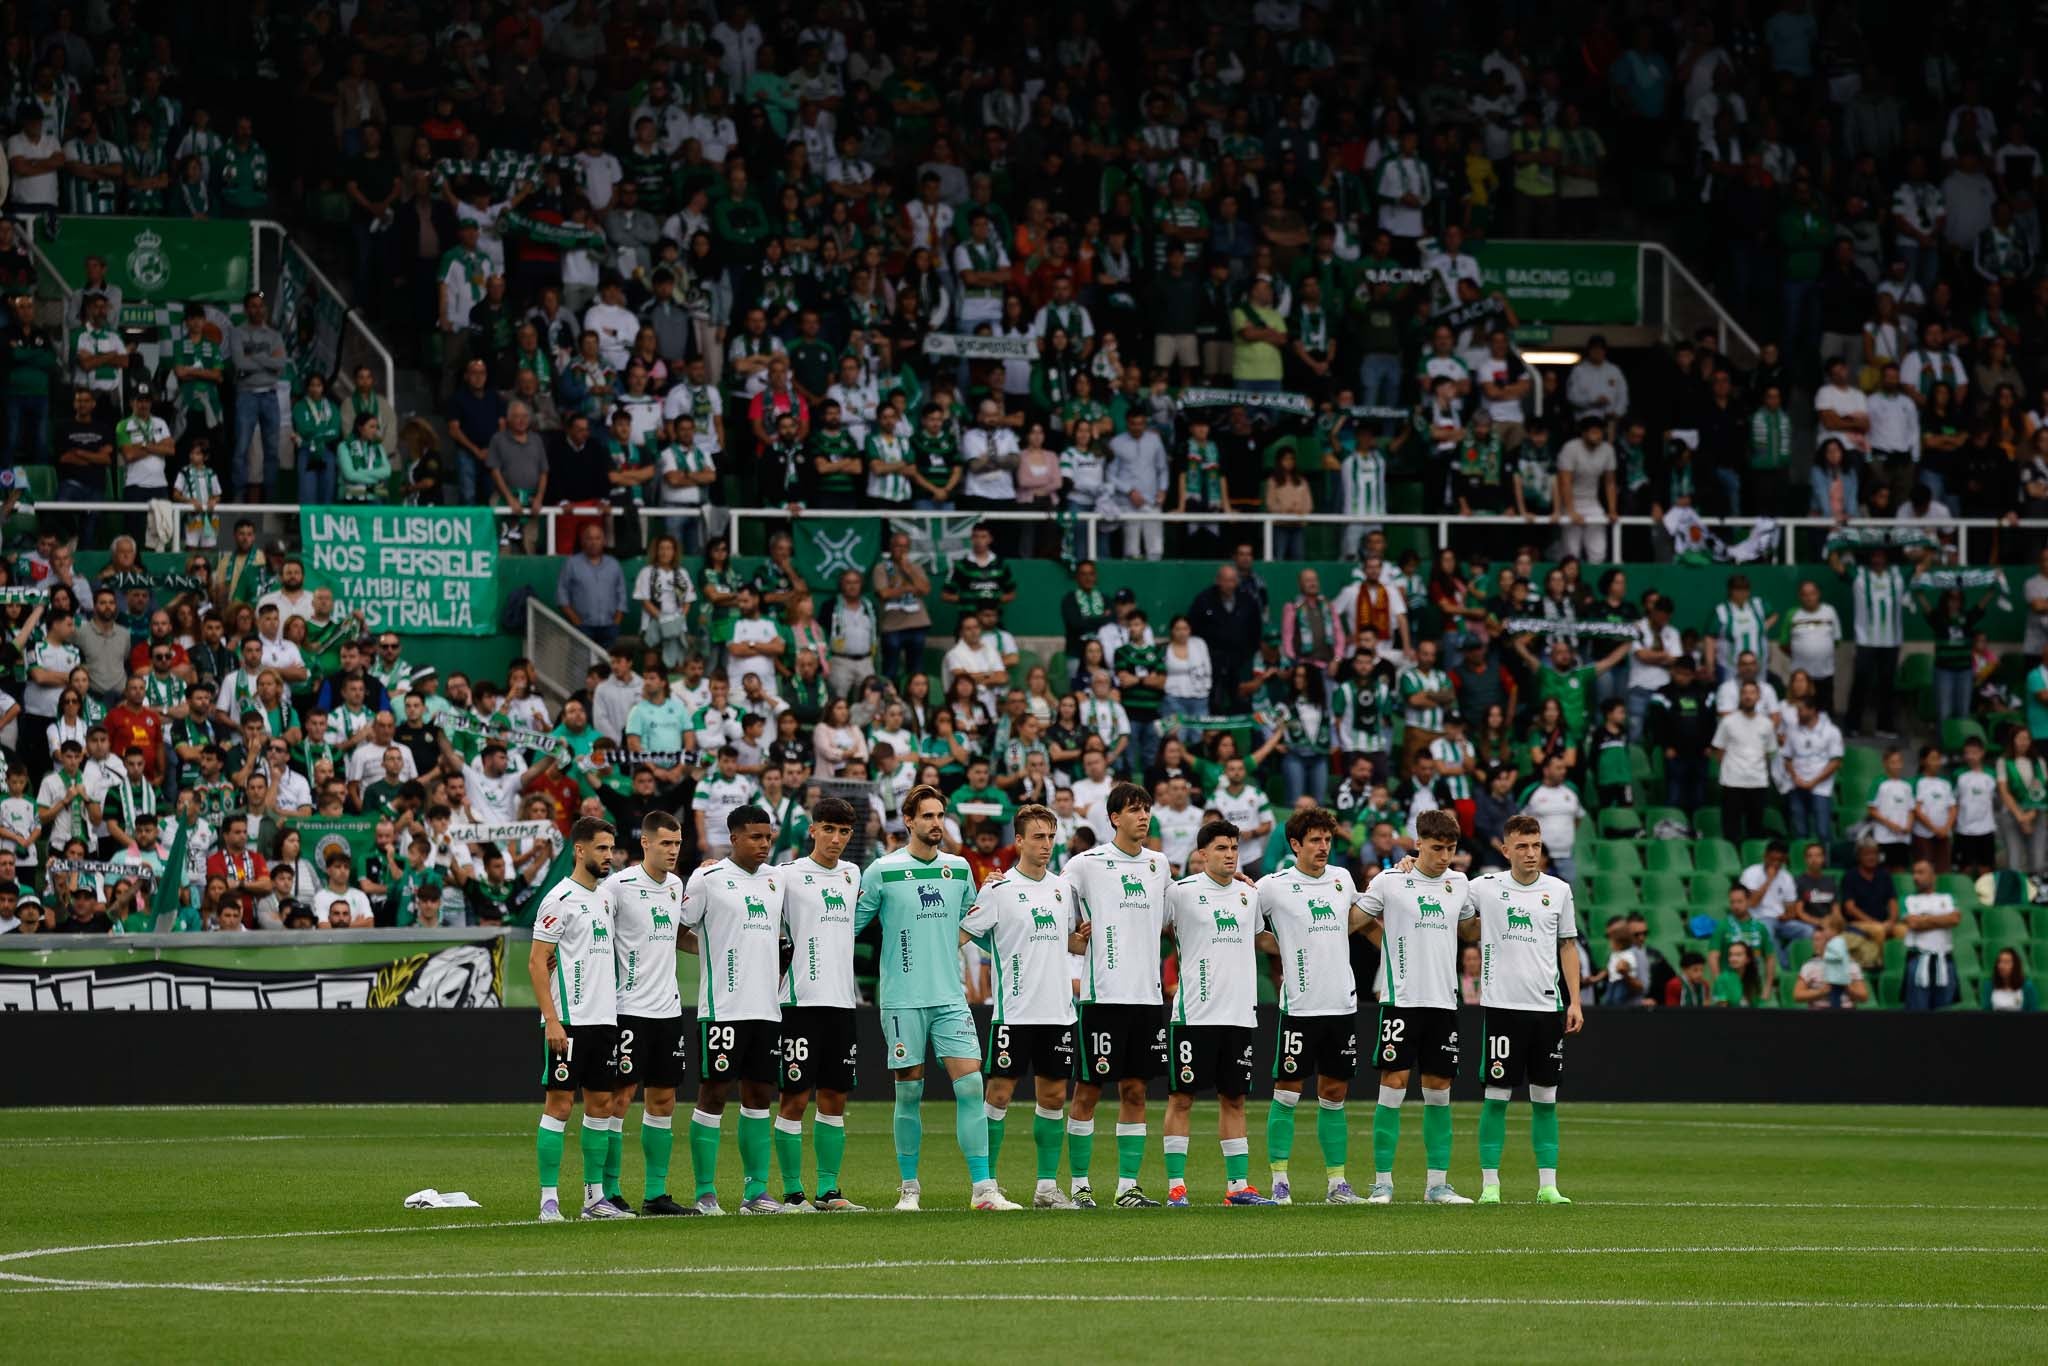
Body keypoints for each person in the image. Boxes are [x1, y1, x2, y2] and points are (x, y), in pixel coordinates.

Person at [853, 785, 1015, 1211]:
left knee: (972, 1084)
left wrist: (1001, 898)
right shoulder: (882, 871)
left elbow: (974, 923)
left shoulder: (959, 870)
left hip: (950, 997)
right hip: (902, 998)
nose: (936, 823)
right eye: (927, 816)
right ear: (908, 820)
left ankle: (983, 1189)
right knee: (909, 1093)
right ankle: (909, 1189)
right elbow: (847, 925)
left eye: (940, 815)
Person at [961, 803, 1090, 1209]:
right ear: (1018, 841)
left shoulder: (1062, 889)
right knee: (998, 1096)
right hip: (1013, 1013)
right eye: (1038, 837)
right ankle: (986, 1186)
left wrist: (1081, 940)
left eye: (1051, 836)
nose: (1046, 844)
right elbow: (963, 934)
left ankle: (1046, 1188)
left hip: (1059, 1013)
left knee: (1053, 1098)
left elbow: (1067, 942)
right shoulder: (998, 889)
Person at [1062, 780, 1173, 1208]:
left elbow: (1175, 913)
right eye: (1134, 810)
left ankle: (1128, 1187)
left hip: (1147, 997)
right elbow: (1054, 908)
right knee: (1088, 1091)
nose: (1143, 817)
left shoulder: (1159, 864)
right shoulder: (1086, 864)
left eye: (1146, 809)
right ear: (1114, 818)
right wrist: (1076, 936)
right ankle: (1080, 1186)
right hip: (1103, 996)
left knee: (1136, 1091)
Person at [1358, 808, 1475, 1205]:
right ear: (1418, 843)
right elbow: (1354, 919)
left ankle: (1437, 1185)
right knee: (1392, 1087)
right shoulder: (1390, 881)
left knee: (1440, 1092)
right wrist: (1387, 943)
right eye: (1437, 848)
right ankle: (1382, 1183)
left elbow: (1471, 927)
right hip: (1401, 1001)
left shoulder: (1460, 883)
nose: (1445, 857)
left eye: (1451, 849)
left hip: (1443, 1001)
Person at [1159, 819, 1279, 1207]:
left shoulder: (1248, 895)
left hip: (1239, 1015)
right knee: (1181, 1099)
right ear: (1202, 853)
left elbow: (1260, 939)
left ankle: (1237, 1187)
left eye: (1234, 848)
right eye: (1221, 848)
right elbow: (1148, 928)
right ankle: (1176, 1187)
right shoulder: (1180, 893)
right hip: (1194, 1015)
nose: (1230, 855)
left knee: (1235, 1099)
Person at [678, 804, 788, 1214]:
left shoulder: (777, 880)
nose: (764, 844)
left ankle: (755, 1192)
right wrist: (711, 950)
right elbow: (677, 929)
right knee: (713, 1094)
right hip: (722, 1008)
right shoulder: (707, 878)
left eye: (768, 837)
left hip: (767, 1009)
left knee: (759, 1095)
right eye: (755, 837)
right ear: (734, 838)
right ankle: (705, 1192)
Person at [1253, 806, 1365, 1206]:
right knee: (1287, 1092)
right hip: (1300, 1007)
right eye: (1315, 840)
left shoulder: (1342, 879)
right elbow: (1250, 927)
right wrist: (1283, 947)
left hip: (1341, 1005)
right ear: (1295, 844)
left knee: (1334, 1093)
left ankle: (1337, 1183)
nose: (1323, 847)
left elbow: (1360, 918)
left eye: (1328, 840)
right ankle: (1279, 1181)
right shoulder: (1272, 886)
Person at [1469, 813, 1583, 1204]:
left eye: (1536, 845)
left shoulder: (1559, 890)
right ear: (1506, 850)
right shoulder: (1484, 887)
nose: (1531, 853)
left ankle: (1548, 1186)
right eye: (1522, 846)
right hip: (1502, 1008)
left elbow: (1568, 946)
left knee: (1546, 1101)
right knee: (1496, 1098)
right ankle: (1490, 1185)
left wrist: (1575, 1001)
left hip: (1546, 1009)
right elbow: (1440, 888)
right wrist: (1408, 865)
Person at [591, 810, 690, 1216]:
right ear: (645, 843)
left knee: (664, 1099)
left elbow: (678, 936)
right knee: (619, 1098)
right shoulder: (618, 886)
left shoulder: (676, 886)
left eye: (678, 843)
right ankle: (610, 1191)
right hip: (628, 1009)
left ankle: (656, 1194)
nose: (673, 851)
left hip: (669, 1009)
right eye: (666, 843)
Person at [528, 816, 628, 1222]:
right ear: (580, 850)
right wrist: (551, 1020)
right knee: (560, 1104)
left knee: (602, 1104)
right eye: (602, 848)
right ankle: (548, 1199)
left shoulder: (605, 898)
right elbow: (537, 961)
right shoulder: (559, 899)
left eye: (611, 848)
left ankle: (594, 1198)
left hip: (604, 1020)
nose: (609, 856)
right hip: (568, 1020)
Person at [772, 797, 867, 1212]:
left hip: (842, 1003)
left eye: (843, 832)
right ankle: (793, 1193)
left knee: (834, 1099)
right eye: (828, 829)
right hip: (800, 1003)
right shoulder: (786, 875)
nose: (835, 839)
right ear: (812, 830)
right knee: (794, 1098)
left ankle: (828, 1190)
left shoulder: (852, 873)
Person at [1898, 858, 1961, 1011]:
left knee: (1944, 1011)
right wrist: (1941, 919)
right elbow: (1913, 924)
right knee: (1917, 1011)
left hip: (1943, 958)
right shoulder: (1907, 899)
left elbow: (1954, 919)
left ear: (1933, 876)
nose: (1915, 877)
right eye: (1914, 873)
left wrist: (1924, 918)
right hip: (1918, 958)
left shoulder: (1947, 898)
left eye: (1921, 872)